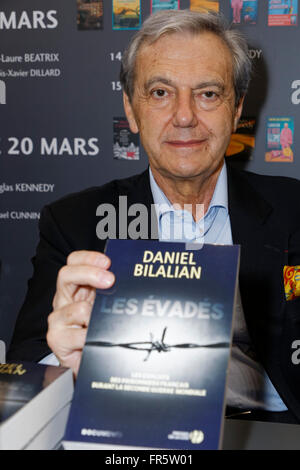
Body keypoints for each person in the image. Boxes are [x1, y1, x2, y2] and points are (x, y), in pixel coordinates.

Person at [7, 10, 300, 423]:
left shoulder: (294, 209)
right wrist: (63, 357)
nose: (184, 116)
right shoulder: (74, 223)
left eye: (208, 94)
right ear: (131, 110)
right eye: (161, 92)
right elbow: (23, 373)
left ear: (236, 110)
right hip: (132, 428)